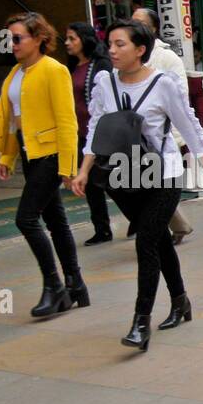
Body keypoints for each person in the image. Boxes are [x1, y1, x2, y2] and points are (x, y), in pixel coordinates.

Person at [71, 19, 203, 351]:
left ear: (140, 50)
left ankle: (140, 323)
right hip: (124, 176)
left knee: (146, 244)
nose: (112, 50)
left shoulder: (162, 83)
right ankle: (181, 301)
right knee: (159, 241)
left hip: (163, 174)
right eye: (110, 44)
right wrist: (83, 170)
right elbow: (96, 127)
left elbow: (187, 121)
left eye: (120, 44)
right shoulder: (106, 83)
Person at [0, 11, 87, 319]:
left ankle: (54, 286)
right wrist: (7, 156)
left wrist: (67, 165)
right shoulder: (15, 74)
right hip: (28, 153)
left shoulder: (53, 70)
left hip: (49, 155)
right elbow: (11, 122)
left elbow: (66, 120)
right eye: (9, 39)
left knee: (26, 219)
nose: (12, 44)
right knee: (56, 221)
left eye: (17, 38)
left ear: (39, 39)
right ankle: (76, 286)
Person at [132, 9, 194, 244]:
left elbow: (180, 98)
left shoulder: (167, 58)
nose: (133, 26)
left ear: (153, 28)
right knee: (147, 185)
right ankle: (174, 226)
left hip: (162, 135)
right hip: (134, 135)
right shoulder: (129, 56)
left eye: (139, 23)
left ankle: (163, 229)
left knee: (157, 185)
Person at [63, 22, 114, 246]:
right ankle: (102, 229)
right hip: (80, 133)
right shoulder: (72, 66)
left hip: (101, 132)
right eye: (67, 38)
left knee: (114, 180)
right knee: (91, 184)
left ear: (84, 39)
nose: (67, 43)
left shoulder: (101, 64)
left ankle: (138, 219)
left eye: (72, 38)